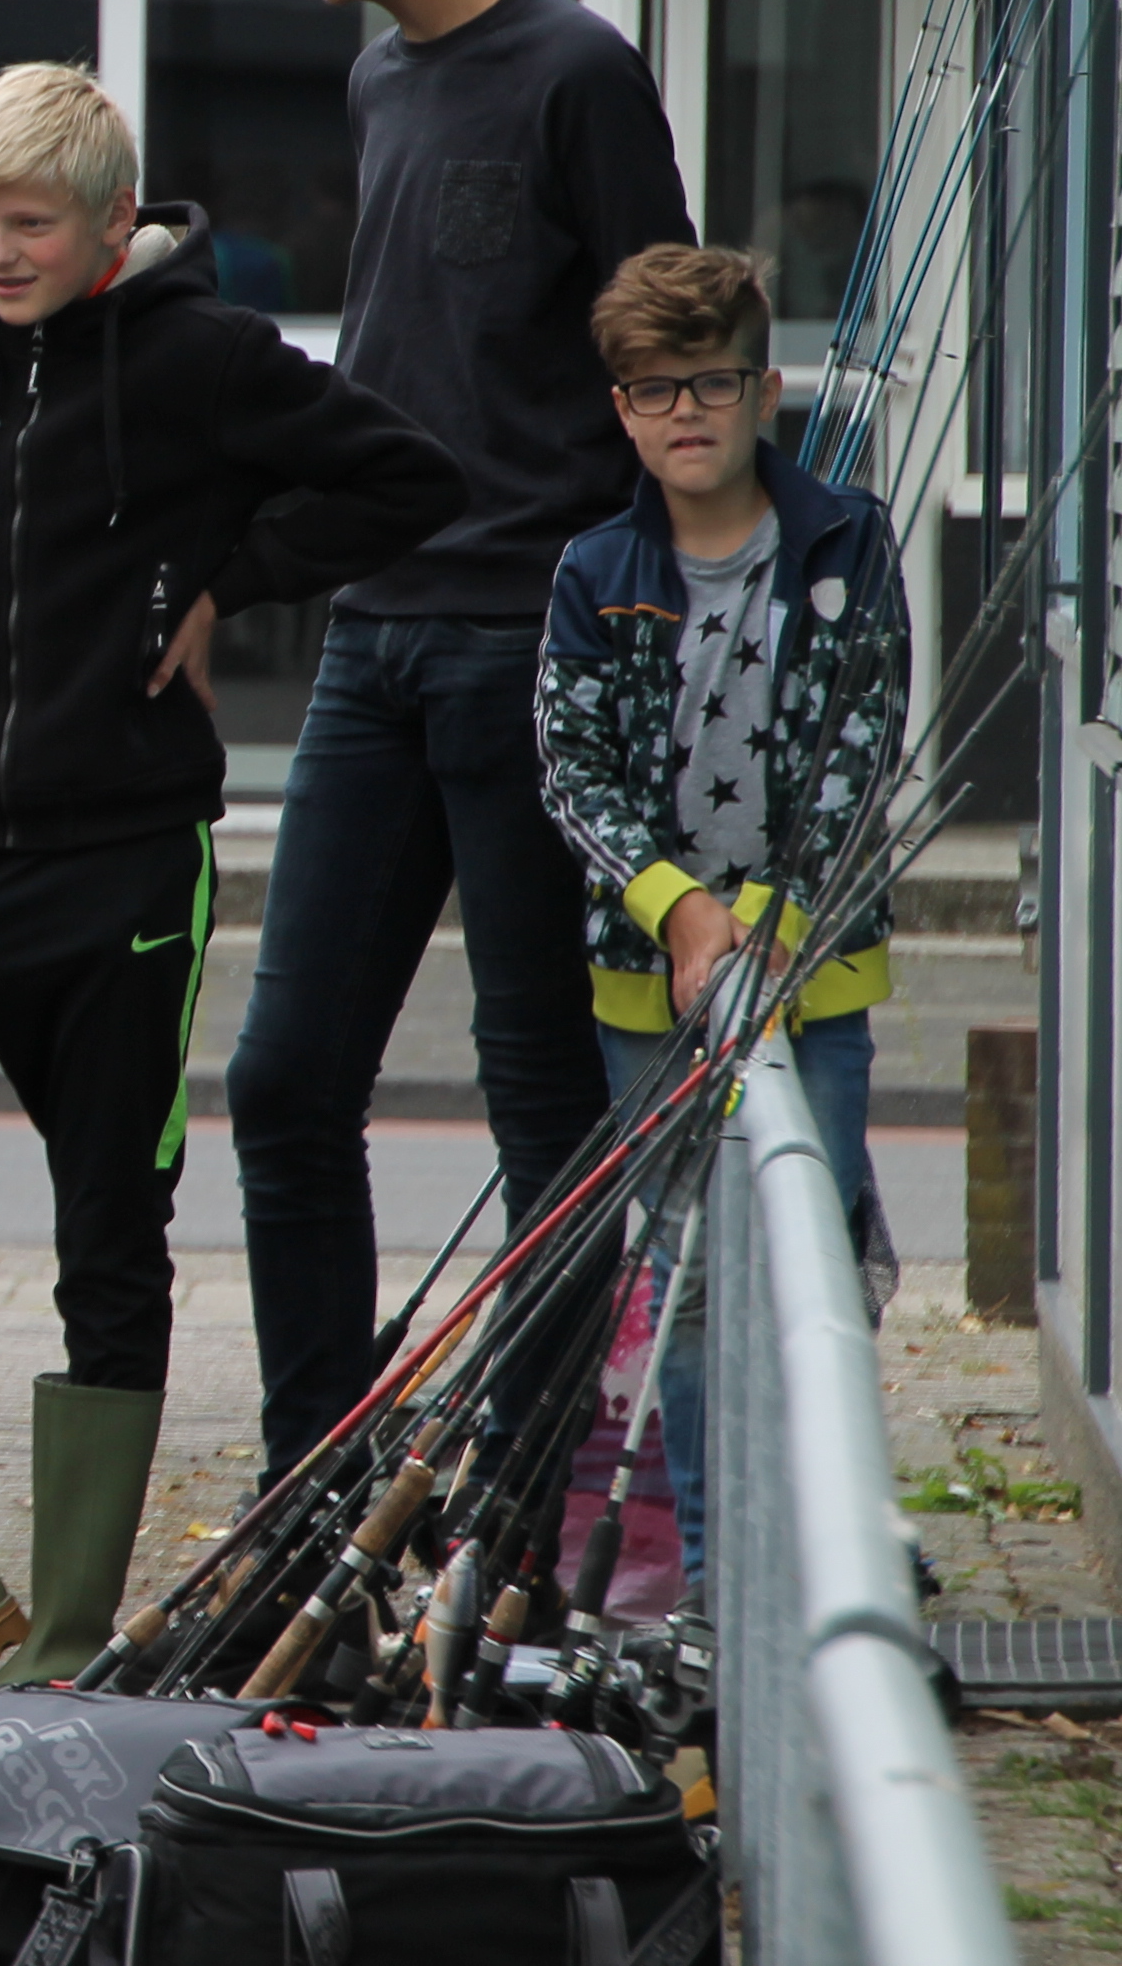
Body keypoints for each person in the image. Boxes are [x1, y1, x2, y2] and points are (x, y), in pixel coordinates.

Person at [0, 67, 461, 1745]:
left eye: (27, 225)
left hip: (124, 870)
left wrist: (223, 584)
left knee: (107, 1244)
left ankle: (61, 1642)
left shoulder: (206, 359)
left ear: (115, 220)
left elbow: (404, 478)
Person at [221, 0, 696, 1491]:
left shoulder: (577, 71)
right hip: (374, 634)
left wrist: (660, 632)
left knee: (541, 1098)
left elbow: (672, 360)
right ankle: (317, 1478)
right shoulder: (377, 85)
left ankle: (526, 1496)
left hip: (531, 643)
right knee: (283, 1081)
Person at [537, 243, 905, 1575]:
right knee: (689, 1291)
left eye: (710, 382)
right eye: (653, 388)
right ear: (622, 410)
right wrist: (684, 917)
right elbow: (571, 771)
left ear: (764, 390)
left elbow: (861, 757)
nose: (683, 411)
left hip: (816, 984)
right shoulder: (592, 571)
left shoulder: (846, 542)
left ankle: (820, 1563)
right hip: (651, 996)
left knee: (814, 1277)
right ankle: (712, 1573)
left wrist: (772, 924)